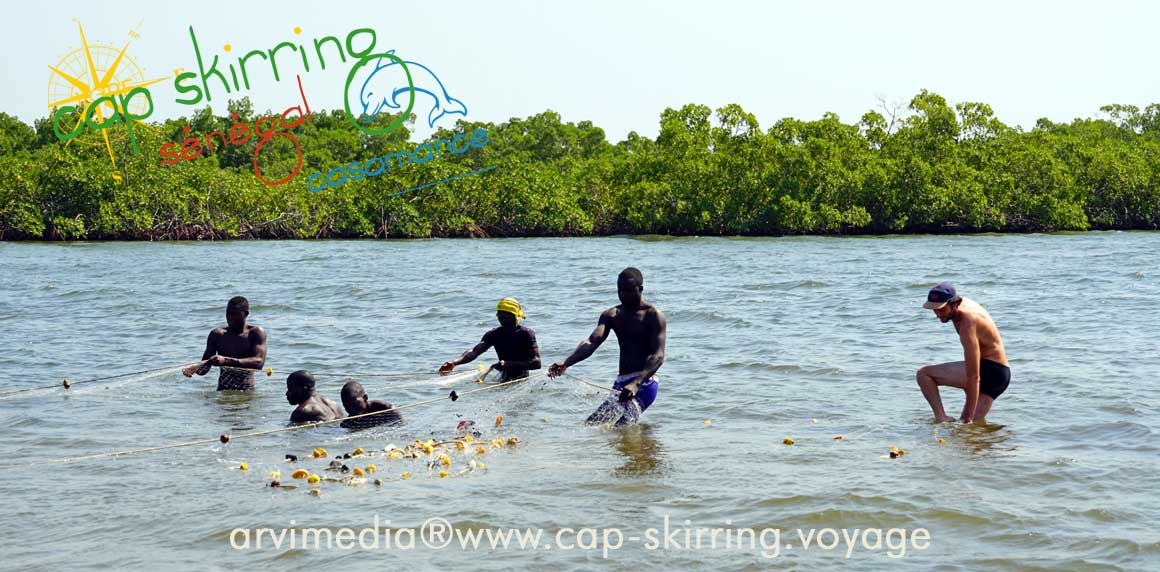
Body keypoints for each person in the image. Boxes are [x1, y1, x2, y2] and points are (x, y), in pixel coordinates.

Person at [548, 267, 667, 425]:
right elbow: (591, 342)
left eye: (629, 291)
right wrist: (566, 362)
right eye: (620, 290)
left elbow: (658, 356)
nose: (624, 295)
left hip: (644, 382)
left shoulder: (653, 315)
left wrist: (636, 383)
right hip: (621, 383)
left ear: (641, 289)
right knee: (593, 424)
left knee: (621, 428)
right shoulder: (611, 315)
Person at [916, 282, 1011, 424]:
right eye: (934, 310)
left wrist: (968, 417)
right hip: (1000, 376)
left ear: (954, 304)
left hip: (989, 369)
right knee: (971, 434)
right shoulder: (960, 304)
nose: (937, 315)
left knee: (924, 374)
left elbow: (973, 376)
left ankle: (941, 417)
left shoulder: (967, 321)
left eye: (941, 310)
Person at [439, 298, 541, 382]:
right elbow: (474, 352)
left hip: (522, 380)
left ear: (514, 316)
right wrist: (454, 363)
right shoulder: (494, 334)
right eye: (500, 314)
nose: (502, 318)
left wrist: (509, 364)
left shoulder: (526, 334)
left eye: (506, 315)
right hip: (503, 378)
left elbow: (537, 363)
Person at [182, 296, 268, 391]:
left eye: (234, 314)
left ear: (246, 314)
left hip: (246, 392)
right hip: (223, 392)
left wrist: (226, 361)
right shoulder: (217, 335)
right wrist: (195, 368)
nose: (230, 317)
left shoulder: (256, 333)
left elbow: (259, 363)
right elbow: (203, 370)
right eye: (228, 313)